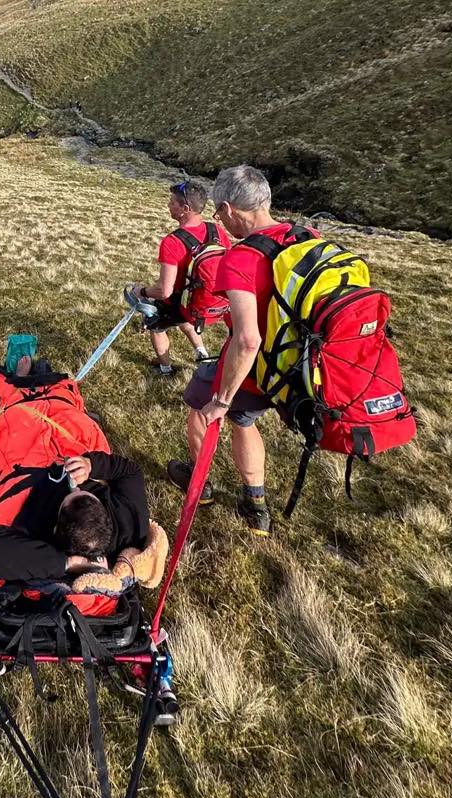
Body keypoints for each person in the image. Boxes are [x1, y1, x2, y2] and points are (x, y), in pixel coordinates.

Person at [166, 166, 318, 536]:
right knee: (244, 419)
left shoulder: (241, 257)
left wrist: (222, 398)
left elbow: (247, 339)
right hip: (297, 363)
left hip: (256, 363)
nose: (219, 220)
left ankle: (200, 483)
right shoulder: (306, 236)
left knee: (200, 406)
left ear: (229, 209)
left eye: (219, 213)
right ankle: (256, 504)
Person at [0, 449, 165, 588]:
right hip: (67, 455)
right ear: (105, 512)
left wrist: (68, 564)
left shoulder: (40, 532)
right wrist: (91, 465)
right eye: (81, 491)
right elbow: (131, 471)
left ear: (56, 529)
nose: (75, 487)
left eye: (72, 493)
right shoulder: (132, 522)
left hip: (27, 468)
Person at [135, 180, 232, 377]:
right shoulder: (217, 231)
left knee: (156, 324)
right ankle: (202, 353)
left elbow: (164, 291)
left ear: (185, 209)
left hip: (182, 302)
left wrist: (142, 291)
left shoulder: (173, 242)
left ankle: (165, 369)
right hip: (210, 301)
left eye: (172, 202)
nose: (168, 205)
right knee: (184, 317)